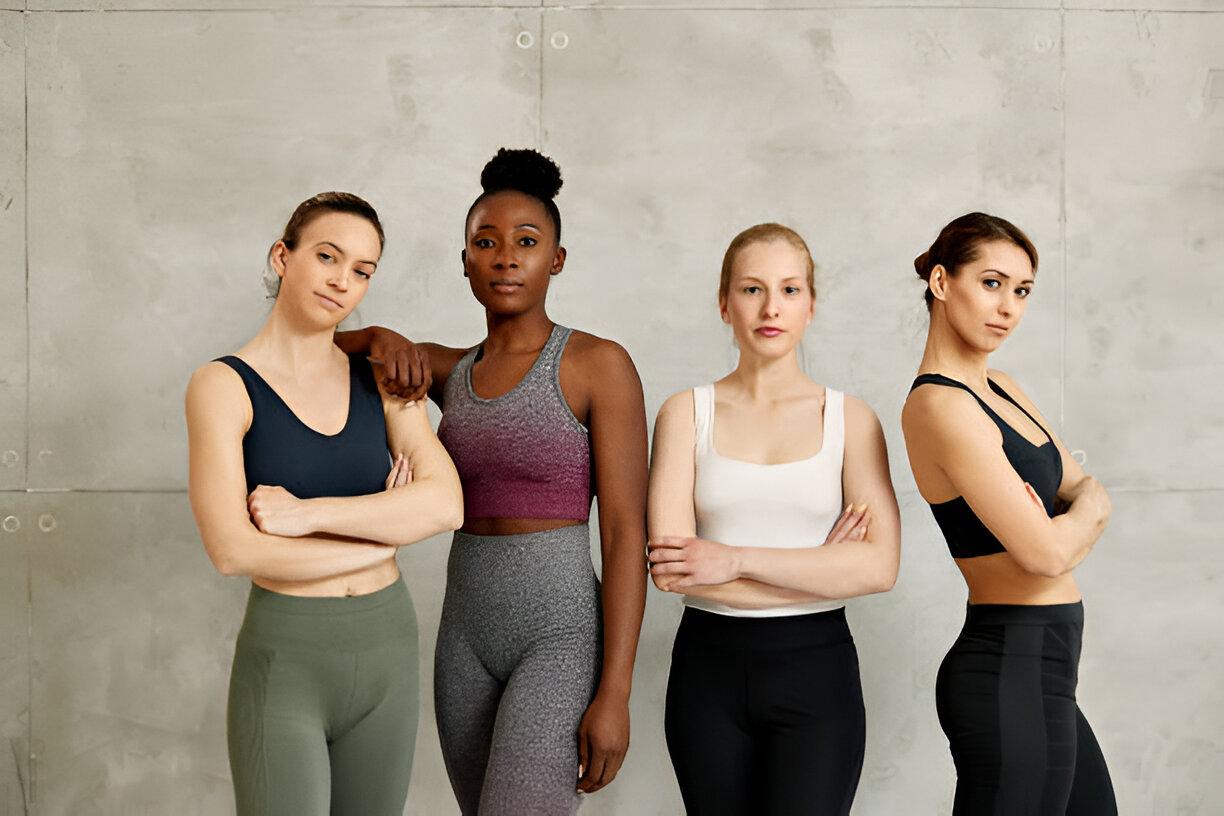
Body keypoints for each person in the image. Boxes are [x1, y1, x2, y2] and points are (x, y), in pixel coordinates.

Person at [336, 149, 648, 814]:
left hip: (560, 634)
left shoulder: (597, 365)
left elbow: (625, 534)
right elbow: (317, 350)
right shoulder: (450, 372)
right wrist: (380, 336)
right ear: (466, 261)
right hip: (465, 637)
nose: (506, 257)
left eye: (527, 242)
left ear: (556, 259)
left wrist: (615, 692)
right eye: (487, 242)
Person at [185, 192, 463, 816]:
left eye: (362, 270)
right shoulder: (222, 385)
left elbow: (446, 504)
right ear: (283, 257)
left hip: (389, 648)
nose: (342, 280)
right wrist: (384, 538)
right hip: (288, 657)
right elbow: (233, 550)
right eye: (327, 256)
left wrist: (308, 517)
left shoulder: (383, 378)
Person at [646, 223, 901, 815]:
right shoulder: (685, 414)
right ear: (724, 303)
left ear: (811, 305)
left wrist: (730, 560)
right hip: (707, 673)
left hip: (819, 673)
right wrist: (822, 566)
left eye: (789, 290)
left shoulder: (852, 420)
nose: (771, 307)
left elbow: (880, 567)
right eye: (752, 289)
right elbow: (671, 570)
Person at [901, 212, 1117, 814]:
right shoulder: (938, 405)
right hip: (1006, 665)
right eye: (991, 283)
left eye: (1021, 291)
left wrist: (1079, 510)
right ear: (942, 282)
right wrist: (1079, 516)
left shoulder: (1006, 388)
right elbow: (1045, 554)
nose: (1008, 307)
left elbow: (1086, 491)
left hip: (1047, 671)